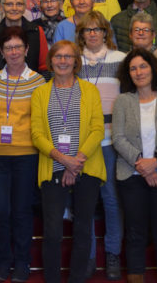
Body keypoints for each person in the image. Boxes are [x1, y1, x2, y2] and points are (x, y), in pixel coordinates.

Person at [30, 40, 106, 283]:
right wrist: (64, 160)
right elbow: (36, 134)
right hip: (53, 166)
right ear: (51, 61)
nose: (62, 61)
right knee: (52, 232)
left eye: (68, 56)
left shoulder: (90, 90)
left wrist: (77, 161)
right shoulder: (40, 92)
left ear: (76, 61)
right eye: (58, 56)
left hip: (87, 167)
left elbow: (97, 129)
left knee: (83, 230)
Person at [112, 48, 157, 283]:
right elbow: (118, 138)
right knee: (135, 234)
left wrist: (155, 162)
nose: (138, 72)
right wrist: (142, 166)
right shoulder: (123, 101)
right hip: (131, 177)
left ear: (153, 68)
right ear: (128, 74)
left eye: (143, 66)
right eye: (133, 68)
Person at [0, 27, 46, 282]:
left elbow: (41, 121)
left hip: (26, 156)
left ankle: (22, 262)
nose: (14, 52)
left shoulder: (38, 82)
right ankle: (3, 262)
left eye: (18, 47)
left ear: (27, 49)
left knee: (21, 211)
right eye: (8, 48)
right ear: (1, 52)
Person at [75, 12, 127, 280]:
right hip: (83, 142)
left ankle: (113, 253)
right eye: (87, 30)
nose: (92, 34)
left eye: (97, 29)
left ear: (106, 33)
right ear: (81, 34)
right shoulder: (73, 61)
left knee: (111, 199)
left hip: (110, 140)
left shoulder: (120, 60)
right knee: (85, 202)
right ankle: (88, 256)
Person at [0, 0, 48, 74]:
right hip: (2, 86)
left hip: (33, 86)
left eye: (19, 4)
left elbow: (44, 68)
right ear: (1, 7)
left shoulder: (37, 32)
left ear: (24, 7)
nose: (14, 8)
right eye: (9, 4)